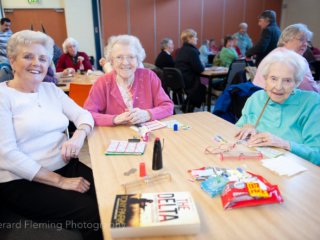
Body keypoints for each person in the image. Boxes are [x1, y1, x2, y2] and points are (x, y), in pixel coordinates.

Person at [0, 30, 102, 240]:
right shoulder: (3, 97)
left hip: (65, 165)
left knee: (110, 193)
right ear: (12, 61)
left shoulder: (51, 90)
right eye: (28, 56)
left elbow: (84, 115)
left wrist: (78, 136)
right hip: (23, 181)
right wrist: (61, 181)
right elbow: (7, 155)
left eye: (43, 58)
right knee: (91, 212)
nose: (36, 63)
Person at [236, 49, 320, 166]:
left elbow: (317, 154)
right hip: (254, 165)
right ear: (265, 79)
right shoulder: (256, 98)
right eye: (273, 78)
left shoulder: (312, 103)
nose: (278, 87)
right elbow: (236, 134)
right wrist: (246, 128)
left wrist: (284, 144)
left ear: (297, 82)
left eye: (287, 80)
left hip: (296, 176)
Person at [84, 34, 174, 126]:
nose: (125, 63)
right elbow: (87, 114)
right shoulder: (102, 82)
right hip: (113, 137)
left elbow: (168, 106)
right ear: (111, 61)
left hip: (147, 137)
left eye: (131, 57)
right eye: (119, 57)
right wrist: (114, 119)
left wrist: (148, 114)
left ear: (138, 60)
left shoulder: (149, 76)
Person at [253, 23, 320, 93]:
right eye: (301, 39)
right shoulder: (295, 59)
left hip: (258, 98)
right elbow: (310, 88)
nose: (305, 44)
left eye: (307, 41)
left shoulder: (275, 52)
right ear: (286, 40)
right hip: (274, 100)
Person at [175, 29, 206, 112]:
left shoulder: (181, 50)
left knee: (203, 82)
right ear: (189, 38)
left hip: (181, 80)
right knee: (204, 84)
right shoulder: (192, 51)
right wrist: (203, 65)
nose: (197, 39)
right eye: (195, 37)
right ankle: (189, 107)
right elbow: (199, 69)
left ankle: (186, 105)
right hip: (189, 81)